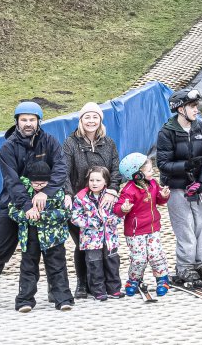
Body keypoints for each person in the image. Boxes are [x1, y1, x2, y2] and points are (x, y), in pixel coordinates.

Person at [0, 101, 69, 313]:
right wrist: (27, 205)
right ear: (17, 122)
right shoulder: (8, 147)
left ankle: (55, 290)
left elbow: (60, 169)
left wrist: (47, 195)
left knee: (52, 247)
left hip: (46, 204)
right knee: (0, 249)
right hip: (14, 204)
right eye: (24, 120)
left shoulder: (50, 142)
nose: (28, 123)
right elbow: (12, 180)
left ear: (39, 121)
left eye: (32, 119)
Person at [156, 88, 202, 286]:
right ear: (180, 109)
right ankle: (185, 267)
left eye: (196, 106)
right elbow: (162, 164)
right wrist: (185, 166)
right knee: (186, 228)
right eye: (192, 106)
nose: (196, 110)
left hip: (197, 187)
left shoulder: (201, 128)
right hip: (177, 188)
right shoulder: (167, 132)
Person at [61, 101, 120, 299]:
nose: (91, 121)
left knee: (104, 244)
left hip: (103, 201)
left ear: (100, 120)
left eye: (95, 117)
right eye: (87, 117)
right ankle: (82, 282)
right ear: (81, 120)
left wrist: (112, 190)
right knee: (83, 243)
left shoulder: (109, 143)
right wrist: (68, 194)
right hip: (81, 202)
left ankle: (104, 283)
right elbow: (64, 171)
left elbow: (116, 170)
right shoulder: (71, 143)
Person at [5, 160, 73, 312]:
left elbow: (66, 213)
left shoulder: (57, 191)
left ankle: (63, 299)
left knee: (57, 267)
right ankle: (24, 300)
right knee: (28, 268)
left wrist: (43, 216)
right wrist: (27, 214)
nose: (39, 186)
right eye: (35, 183)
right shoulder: (22, 191)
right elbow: (12, 211)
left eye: (43, 183)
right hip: (30, 237)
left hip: (53, 238)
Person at [113, 153, 170, 297]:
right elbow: (118, 209)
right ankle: (134, 279)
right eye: (149, 170)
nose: (153, 172)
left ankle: (162, 278)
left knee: (156, 254)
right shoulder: (129, 190)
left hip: (152, 228)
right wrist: (123, 209)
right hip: (135, 231)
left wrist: (163, 196)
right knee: (139, 258)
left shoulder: (153, 184)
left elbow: (159, 201)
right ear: (137, 174)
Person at [69, 166, 124, 301]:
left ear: (105, 182)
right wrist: (90, 222)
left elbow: (119, 214)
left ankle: (114, 289)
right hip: (90, 239)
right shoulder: (80, 198)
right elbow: (74, 216)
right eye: (91, 180)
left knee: (112, 262)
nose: (94, 183)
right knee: (94, 263)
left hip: (109, 238)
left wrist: (111, 219)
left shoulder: (112, 197)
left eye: (98, 180)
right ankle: (98, 290)